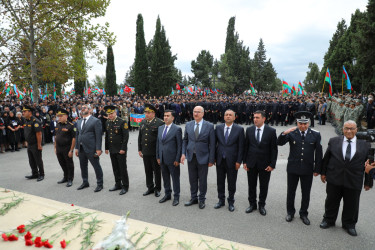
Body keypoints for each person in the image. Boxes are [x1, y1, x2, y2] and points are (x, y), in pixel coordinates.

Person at [320, 120, 371, 236]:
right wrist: (323, 173)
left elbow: (369, 165)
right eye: (346, 128)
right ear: (342, 129)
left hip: (354, 180)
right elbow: (326, 159)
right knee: (331, 201)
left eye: (352, 128)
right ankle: (328, 220)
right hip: (334, 178)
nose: (349, 131)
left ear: (356, 130)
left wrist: (368, 182)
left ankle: (349, 224)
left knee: (352, 204)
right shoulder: (333, 141)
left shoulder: (365, 145)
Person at [277, 111, 323, 225]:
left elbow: (318, 153)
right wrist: (284, 133)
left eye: (305, 124)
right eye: (300, 123)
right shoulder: (292, 133)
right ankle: (290, 212)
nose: (303, 126)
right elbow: (279, 143)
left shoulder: (316, 134)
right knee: (291, 192)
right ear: (297, 123)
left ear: (309, 123)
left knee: (306, 193)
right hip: (293, 168)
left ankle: (303, 213)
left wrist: (317, 169)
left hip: (307, 169)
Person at [243, 110, 278, 216]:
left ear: (264, 119)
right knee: (251, 185)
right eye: (254, 117)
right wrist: (245, 162)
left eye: (257, 117)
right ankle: (252, 204)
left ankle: (261, 205)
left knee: (263, 186)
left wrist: (272, 165)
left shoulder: (271, 131)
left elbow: (274, 149)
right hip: (251, 163)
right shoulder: (249, 130)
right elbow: (246, 147)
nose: (255, 119)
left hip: (265, 165)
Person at [181, 106, 215, 209]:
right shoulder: (188, 124)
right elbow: (185, 140)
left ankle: (201, 199)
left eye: (198, 112)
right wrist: (183, 153)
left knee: (202, 180)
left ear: (203, 114)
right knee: (192, 179)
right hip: (191, 156)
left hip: (204, 157)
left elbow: (212, 144)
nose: (196, 114)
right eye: (194, 112)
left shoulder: (209, 126)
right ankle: (193, 198)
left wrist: (211, 159)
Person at [214, 109, 244, 212]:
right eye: (226, 115)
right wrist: (213, 158)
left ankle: (231, 201)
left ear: (234, 117)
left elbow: (241, 147)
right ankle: (221, 200)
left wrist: (239, 161)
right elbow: (214, 144)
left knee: (231, 183)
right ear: (223, 117)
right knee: (220, 182)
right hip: (220, 159)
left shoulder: (239, 129)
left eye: (230, 115)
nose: (228, 116)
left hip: (232, 161)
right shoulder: (218, 128)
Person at [75, 104, 104, 192]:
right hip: (81, 148)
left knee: (96, 166)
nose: (82, 109)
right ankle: (85, 182)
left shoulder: (95, 121)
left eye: (85, 108)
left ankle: (100, 184)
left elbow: (98, 136)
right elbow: (77, 135)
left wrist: (98, 149)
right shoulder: (79, 121)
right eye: (81, 108)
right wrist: (76, 147)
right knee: (83, 166)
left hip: (92, 148)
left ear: (90, 110)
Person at [156, 109, 182, 206]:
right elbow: (158, 143)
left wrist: (177, 159)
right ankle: (167, 194)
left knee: (175, 179)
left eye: (168, 116)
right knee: (165, 177)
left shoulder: (177, 129)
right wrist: (158, 156)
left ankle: (176, 196)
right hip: (162, 158)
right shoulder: (160, 128)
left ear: (173, 117)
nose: (165, 117)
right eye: (164, 115)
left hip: (173, 159)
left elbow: (179, 145)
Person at [138, 104, 165, 197]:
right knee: (148, 170)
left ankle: (157, 189)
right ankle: (150, 187)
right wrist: (139, 149)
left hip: (155, 152)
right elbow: (140, 137)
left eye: (148, 113)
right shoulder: (143, 122)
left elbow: (161, 140)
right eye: (145, 112)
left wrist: (160, 153)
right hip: (145, 151)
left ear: (153, 113)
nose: (146, 114)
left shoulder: (159, 123)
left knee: (157, 171)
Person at [104, 105, 129, 195]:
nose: (110, 115)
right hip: (112, 149)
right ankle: (118, 184)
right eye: (109, 114)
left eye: (111, 113)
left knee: (122, 168)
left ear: (115, 113)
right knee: (115, 168)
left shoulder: (122, 122)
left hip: (120, 149)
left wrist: (123, 149)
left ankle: (125, 186)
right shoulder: (108, 122)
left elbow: (126, 137)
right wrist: (106, 148)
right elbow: (107, 136)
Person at [22, 105, 45, 181]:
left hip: (35, 144)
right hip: (29, 144)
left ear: (30, 112)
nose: (23, 113)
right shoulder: (26, 120)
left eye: (24, 111)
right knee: (31, 160)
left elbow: (38, 134)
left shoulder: (35, 121)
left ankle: (41, 174)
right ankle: (34, 173)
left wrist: (39, 145)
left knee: (38, 160)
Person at [54, 108, 76, 187]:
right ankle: (65, 177)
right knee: (62, 163)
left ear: (66, 116)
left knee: (69, 164)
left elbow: (74, 138)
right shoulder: (58, 124)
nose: (59, 117)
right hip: (59, 148)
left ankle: (70, 179)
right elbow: (56, 136)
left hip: (67, 148)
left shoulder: (71, 125)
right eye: (58, 116)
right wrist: (55, 147)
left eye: (61, 116)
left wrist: (71, 150)